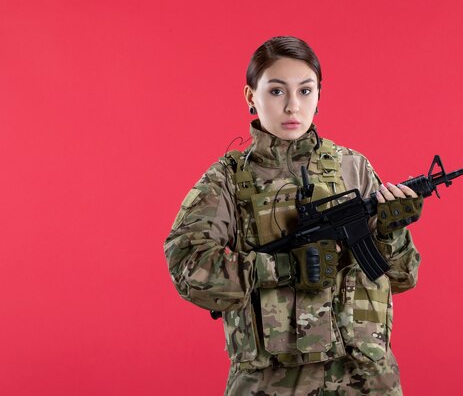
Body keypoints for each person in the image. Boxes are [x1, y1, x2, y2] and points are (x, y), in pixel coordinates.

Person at [164, 36, 423, 395]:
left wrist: (390, 234)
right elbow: (187, 268)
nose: (292, 107)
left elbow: (401, 277)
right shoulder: (227, 180)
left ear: (320, 95)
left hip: (367, 380)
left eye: (305, 91)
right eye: (276, 91)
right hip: (271, 384)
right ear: (250, 96)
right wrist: (283, 268)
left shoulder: (352, 168)